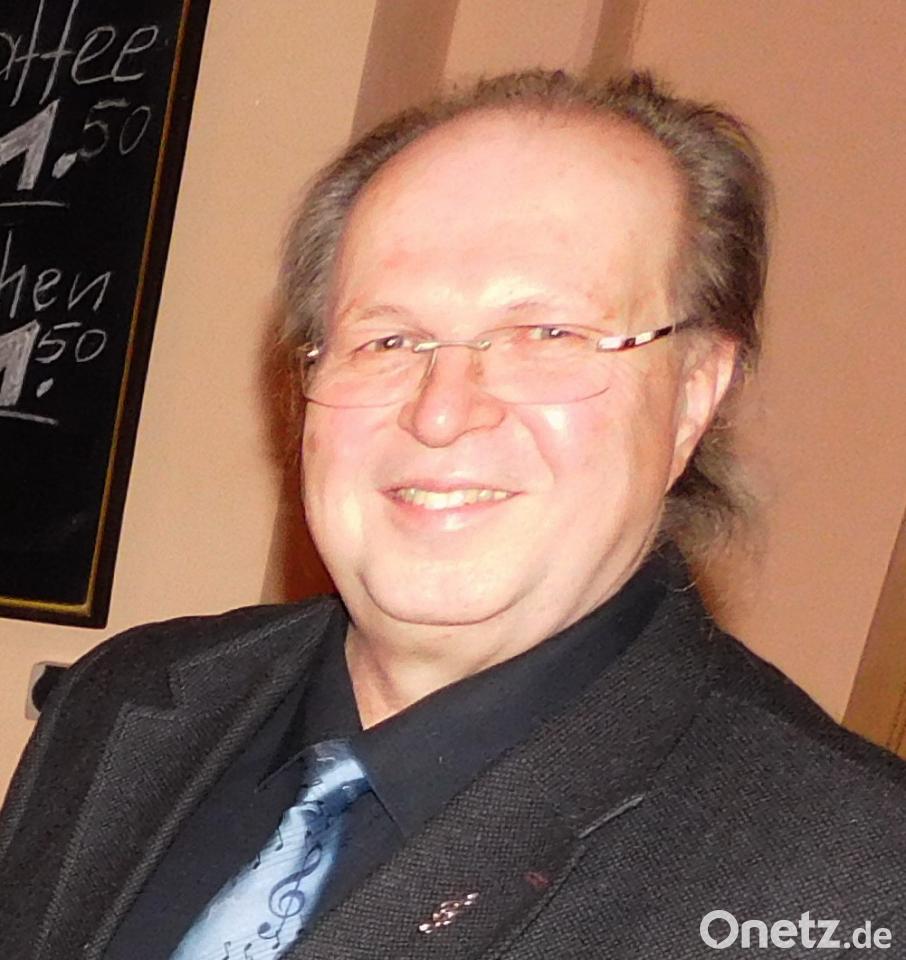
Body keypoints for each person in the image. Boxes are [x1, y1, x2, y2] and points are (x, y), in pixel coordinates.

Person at [1, 69, 904, 960]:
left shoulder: (855, 882)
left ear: (693, 395)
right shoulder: (122, 700)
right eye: (388, 339)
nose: (440, 412)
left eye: (548, 334)